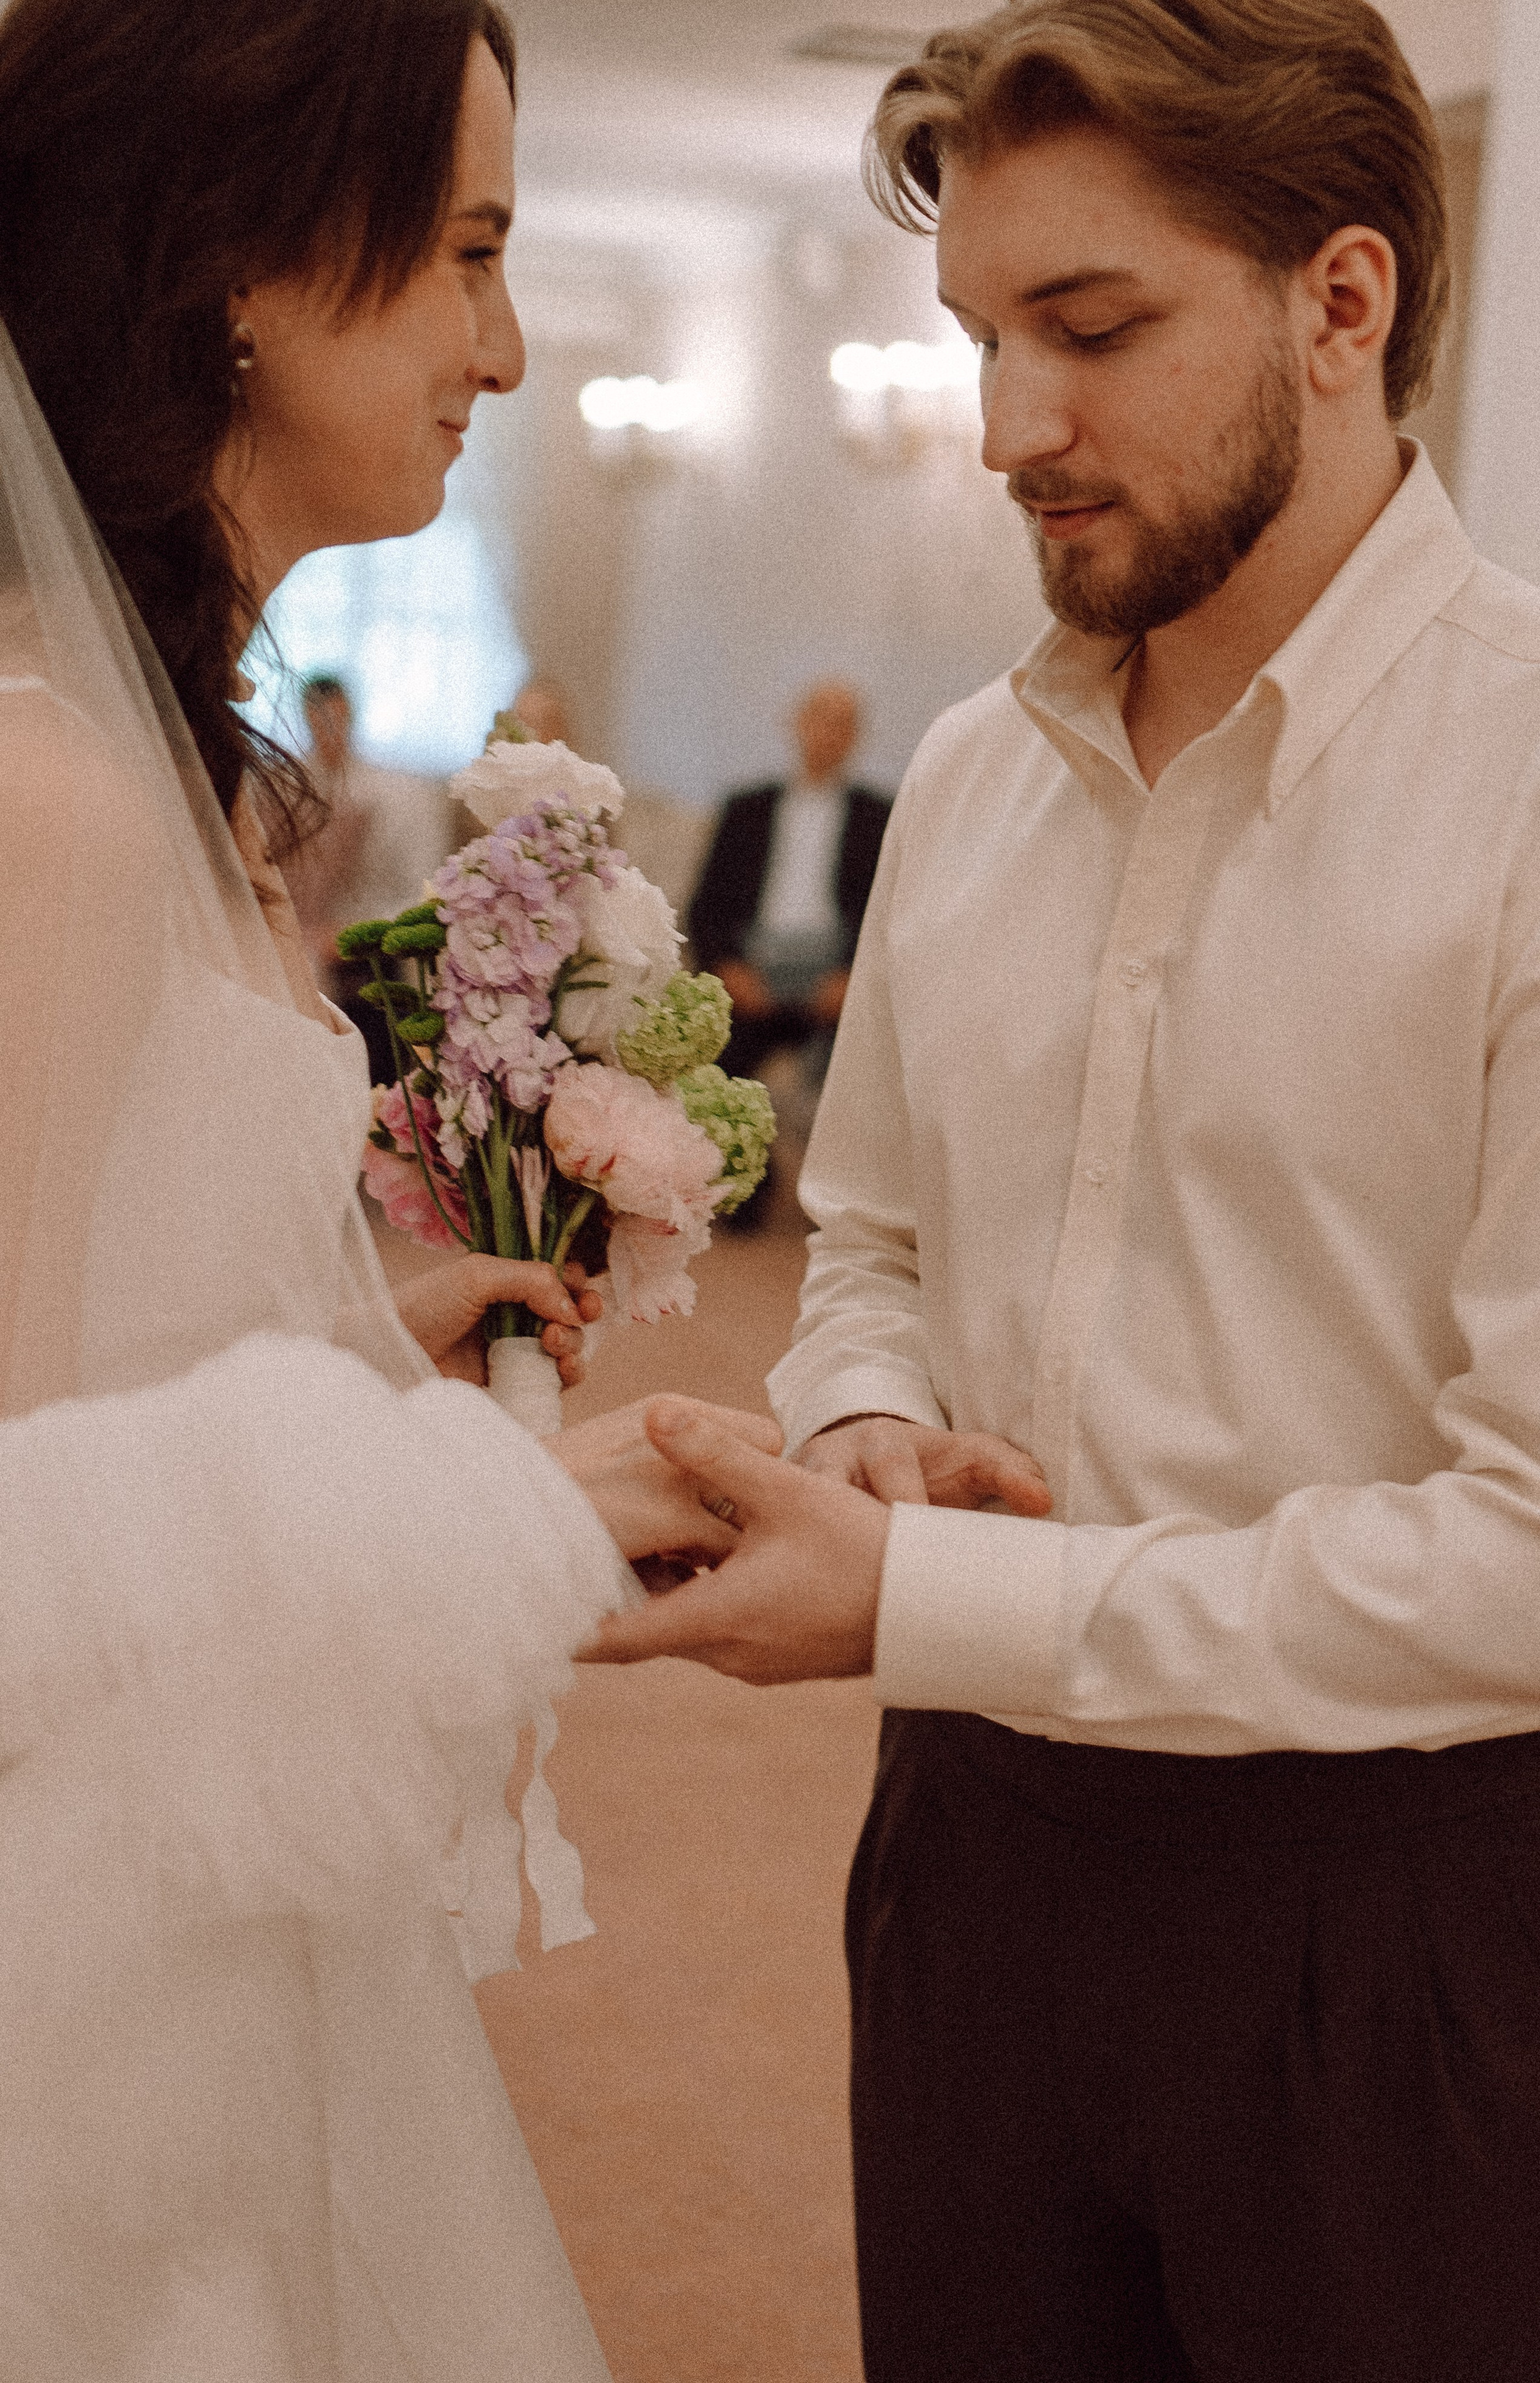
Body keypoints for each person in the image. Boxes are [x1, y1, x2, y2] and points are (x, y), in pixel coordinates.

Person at [589, 3, 1540, 2377]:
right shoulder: (967, 773)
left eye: (1092, 329)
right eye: (975, 337)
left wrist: (937, 1597)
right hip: (965, 1885)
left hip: (1407, 1916)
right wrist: (853, 1434)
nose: (1004, 430)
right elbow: (876, 1247)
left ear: (1339, 304)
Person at [0, 2, 776, 2372]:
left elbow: (105, 1335)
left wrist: (365, 1349)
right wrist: (496, 1518)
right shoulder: (52, 798)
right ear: (238, 262)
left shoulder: (188, 781)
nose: (507, 348)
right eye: (460, 255)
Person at [687, 680, 890, 1227]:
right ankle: (750, 1185)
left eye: (844, 722)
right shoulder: (746, 808)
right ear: (798, 724)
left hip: (834, 975)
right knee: (716, 1065)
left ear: (856, 737)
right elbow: (704, 908)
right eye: (820, 718)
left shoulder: (881, 817)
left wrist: (854, 975)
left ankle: (842, 1202)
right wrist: (729, 968)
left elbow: (893, 917)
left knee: (866, 1071)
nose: (829, 733)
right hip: (755, 966)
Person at [288, 670, 455, 1078]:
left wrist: (346, 933)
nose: (329, 731)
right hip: (300, 939)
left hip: (369, 951)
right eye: (318, 720)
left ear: (351, 717)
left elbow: (419, 892)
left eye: (337, 720)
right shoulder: (288, 786)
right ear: (305, 719)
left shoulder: (392, 794)